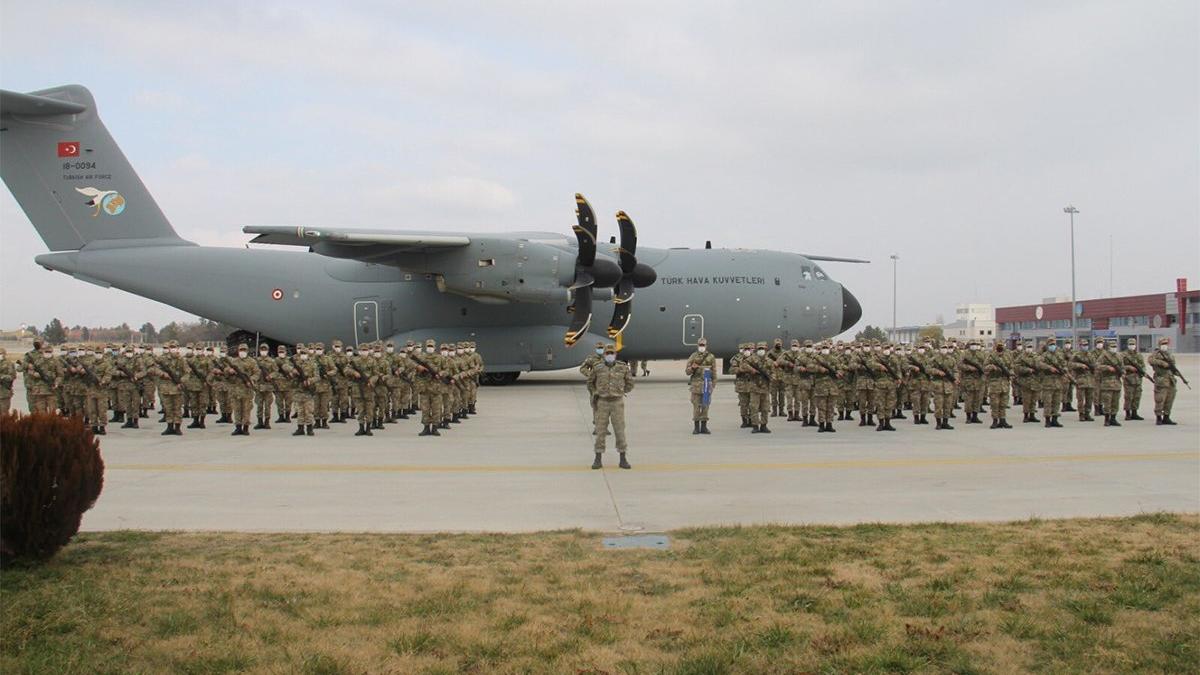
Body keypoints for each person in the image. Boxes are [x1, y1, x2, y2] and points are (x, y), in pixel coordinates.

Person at [589, 344, 634, 469]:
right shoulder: (598, 368)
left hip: (617, 402)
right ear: (604, 355)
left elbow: (630, 383)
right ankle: (598, 458)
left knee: (620, 431)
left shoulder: (623, 368)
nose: (609, 355)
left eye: (611, 353)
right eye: (607, 353)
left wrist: (621, 391)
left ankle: (623, 458)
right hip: (602, 402)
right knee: (600, 431)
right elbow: (590, 382)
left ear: (615, 355)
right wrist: (595, 392)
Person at [152, 341, 187, 435]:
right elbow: (154, 369)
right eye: (171, 347)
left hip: (177, 388)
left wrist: (181, 381)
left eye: (174, 347)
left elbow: (187, 373)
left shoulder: (182, 360)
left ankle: (178, 427)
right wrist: (163, 374)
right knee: (168, 408)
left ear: (178, 348)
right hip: (166, 388)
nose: (172, 349)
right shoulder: (163, 359)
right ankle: (169, 427)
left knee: (177, 409)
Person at [685, 337, 717, 434]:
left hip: (707, 385)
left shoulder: (711, 357)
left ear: (706, 345)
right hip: (696, 386)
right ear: (698, 345)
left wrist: (713, 385)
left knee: (705, 406)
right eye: (700, 345)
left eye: (703, 345)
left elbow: (714, 372)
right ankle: (696, 427)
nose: (702, 347)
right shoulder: (693, 356)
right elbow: (687, 372)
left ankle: (704, 427)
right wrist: (692, 368)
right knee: (696, 407)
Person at [1147, 338, 1180, 425]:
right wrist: (1162, 363)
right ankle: (1158, 418)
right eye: (1163, 344)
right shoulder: (1156, 354)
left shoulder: (1170, 355)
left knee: (1170, 399)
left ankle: (1166, 417)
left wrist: (1176, 372)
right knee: (1160, 399)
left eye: (1166, 344)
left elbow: (1173, 367)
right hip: (1161, 380)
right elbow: (1150, 360)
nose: (1164, 345)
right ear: (1159, 344)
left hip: (1170, 380)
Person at [742, 341, 772, 433]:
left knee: (765, 408)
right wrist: (752, 370)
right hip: (754, 387)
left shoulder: (769, 361)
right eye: (759, 349)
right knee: (754, 407)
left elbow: (774, 372)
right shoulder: (752, 359)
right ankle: (755, 426)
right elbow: (744, 365)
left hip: (765, 388)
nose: (761, 350)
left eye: (762, 348)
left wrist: (771, 378)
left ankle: (764, 425)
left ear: (765, 349)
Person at [811, 342, 840, 432]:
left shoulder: (834, 359)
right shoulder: (816, 359)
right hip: (821, 386)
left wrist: (840, 373)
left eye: (826, 347)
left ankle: (829, 424)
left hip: (832, 386)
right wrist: (820, 369)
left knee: (831, 407)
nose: (825, 349)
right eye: (823, 347)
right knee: (821, 406)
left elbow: (840, 368)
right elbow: (810, 367)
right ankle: (821, 424)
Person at [1093, 338, 1123, 427]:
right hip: (1107, 382)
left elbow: (1122, 367)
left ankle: (1113, 418)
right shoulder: (1104, 356)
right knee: (1107, 402)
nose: (1114, 348)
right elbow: (1097, 366)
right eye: (1112, 346)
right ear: (1109, 347)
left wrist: (1123, 372)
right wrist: (1107, 368)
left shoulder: (1119, 356)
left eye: (1115, 346)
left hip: (1117, 383)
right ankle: (1107, 419)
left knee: (1115, 402)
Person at [928, 343, 958, 430]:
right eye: (943, 347)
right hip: (938, 385)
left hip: (948, 385)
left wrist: (955, 378)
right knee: (938, 405)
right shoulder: (934, 359)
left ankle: (945, 423)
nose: (944, 349)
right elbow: (928, 369)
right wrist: (937, 371)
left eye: (946, 347)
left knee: (947, 405)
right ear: (939, 348)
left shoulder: (951, 359)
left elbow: (955, 370)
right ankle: (938, 423)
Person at [983, 341, 1013, 428]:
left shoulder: (1007, 356)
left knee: (1003, 403)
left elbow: (1011, 367)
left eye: (1001, 345)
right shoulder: (991, 356)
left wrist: (1011, 374)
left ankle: (1003, 420)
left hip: (1005, 383)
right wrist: (992, 367)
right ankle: (995, 421)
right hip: (994, 382)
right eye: (999, 345)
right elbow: (984, 367)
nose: (1000, 347)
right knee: (994, 403)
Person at [1037, 341, 1067, 427]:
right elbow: (1039, 364)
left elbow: (1064, 364)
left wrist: (1064, 369)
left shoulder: (1059, 355)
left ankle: (1055, 419)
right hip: (1048, 381)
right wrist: (1049, 368)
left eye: (1053, 344)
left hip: (1058, 381)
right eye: (1050, 345)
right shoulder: (1044, 355)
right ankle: (1047, 420)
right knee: (1048, 402)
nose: (1052, 346)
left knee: (1057, 402)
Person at [958, 341, 986, 424]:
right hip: (968, 380)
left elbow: (985, 364)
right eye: (972, 344)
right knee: (968, 400)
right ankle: (968, 417)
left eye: (975, 344)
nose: (974, 346)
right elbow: (960, 365)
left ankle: (975, 416)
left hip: (979, 380)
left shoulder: (981, 354)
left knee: (977, 399)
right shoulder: (965, 354)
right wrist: (969, 368)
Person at [1068, 338, 1096, 422]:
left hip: (1090, 380)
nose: (1085, 346)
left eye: (1086, 345)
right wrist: (1080, 365)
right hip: (1081, 380)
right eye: (1084, 345)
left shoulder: (1091, 355)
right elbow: (1070, 364)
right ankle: (1081, 414)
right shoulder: (1076, 355)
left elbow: (1095, 365)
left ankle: (1087, 413)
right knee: (1080, 399)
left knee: (1090, 398)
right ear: (1080, 346)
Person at [579, 341, 605, 431]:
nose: (600, 349)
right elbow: (582, 368)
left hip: (605, 386)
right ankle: (596, 427)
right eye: (599, 348)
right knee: (596, 406)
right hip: (594, 385)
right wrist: (590, 374)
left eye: (601, 348)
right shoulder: (591, 359)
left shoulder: (607, 359)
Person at [253, 343, 279, 429]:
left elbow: (276, 372)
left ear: (267, 351)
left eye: (265, 349)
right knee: (259, 405)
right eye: (262, 349)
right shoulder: (256, 361)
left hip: (268, 386)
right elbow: (252, 372)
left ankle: (267, 422)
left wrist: (270, 376)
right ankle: (260, 422)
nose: (263, 351)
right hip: (259, 386)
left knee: (267, 406)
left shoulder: (271, 361)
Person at [1121, 339, 1146, 421]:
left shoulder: (1139, 355)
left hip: (1138, 379)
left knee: (1137, 396)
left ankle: (1134, 413)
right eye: (1130, 344)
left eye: (1133, 344)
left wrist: (1142, 371)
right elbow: (1120, 366)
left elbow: (1143, 365)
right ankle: (1128, 413)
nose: (1132, 346)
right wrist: (1128, 367)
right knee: (1128, 396)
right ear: (1127, 345)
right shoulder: (1123, 355)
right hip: (1129, 379)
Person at [731, 343, 752, 428]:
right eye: (745, 349)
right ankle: (744, 421)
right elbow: (732, 370)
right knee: (743, 404)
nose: (747, 351)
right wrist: (740, 370)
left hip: (752, 385)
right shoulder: (737, 359)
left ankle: (751, 420)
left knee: (752, 404)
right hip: (742, 385)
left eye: (748, 349)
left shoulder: (754, 359)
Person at [0, 347, 14, 413]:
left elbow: (12, 376)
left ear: (4, 354)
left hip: (4, 392)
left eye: (0, 353)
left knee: (4, 413)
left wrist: (2, 377)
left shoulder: (9, 364)